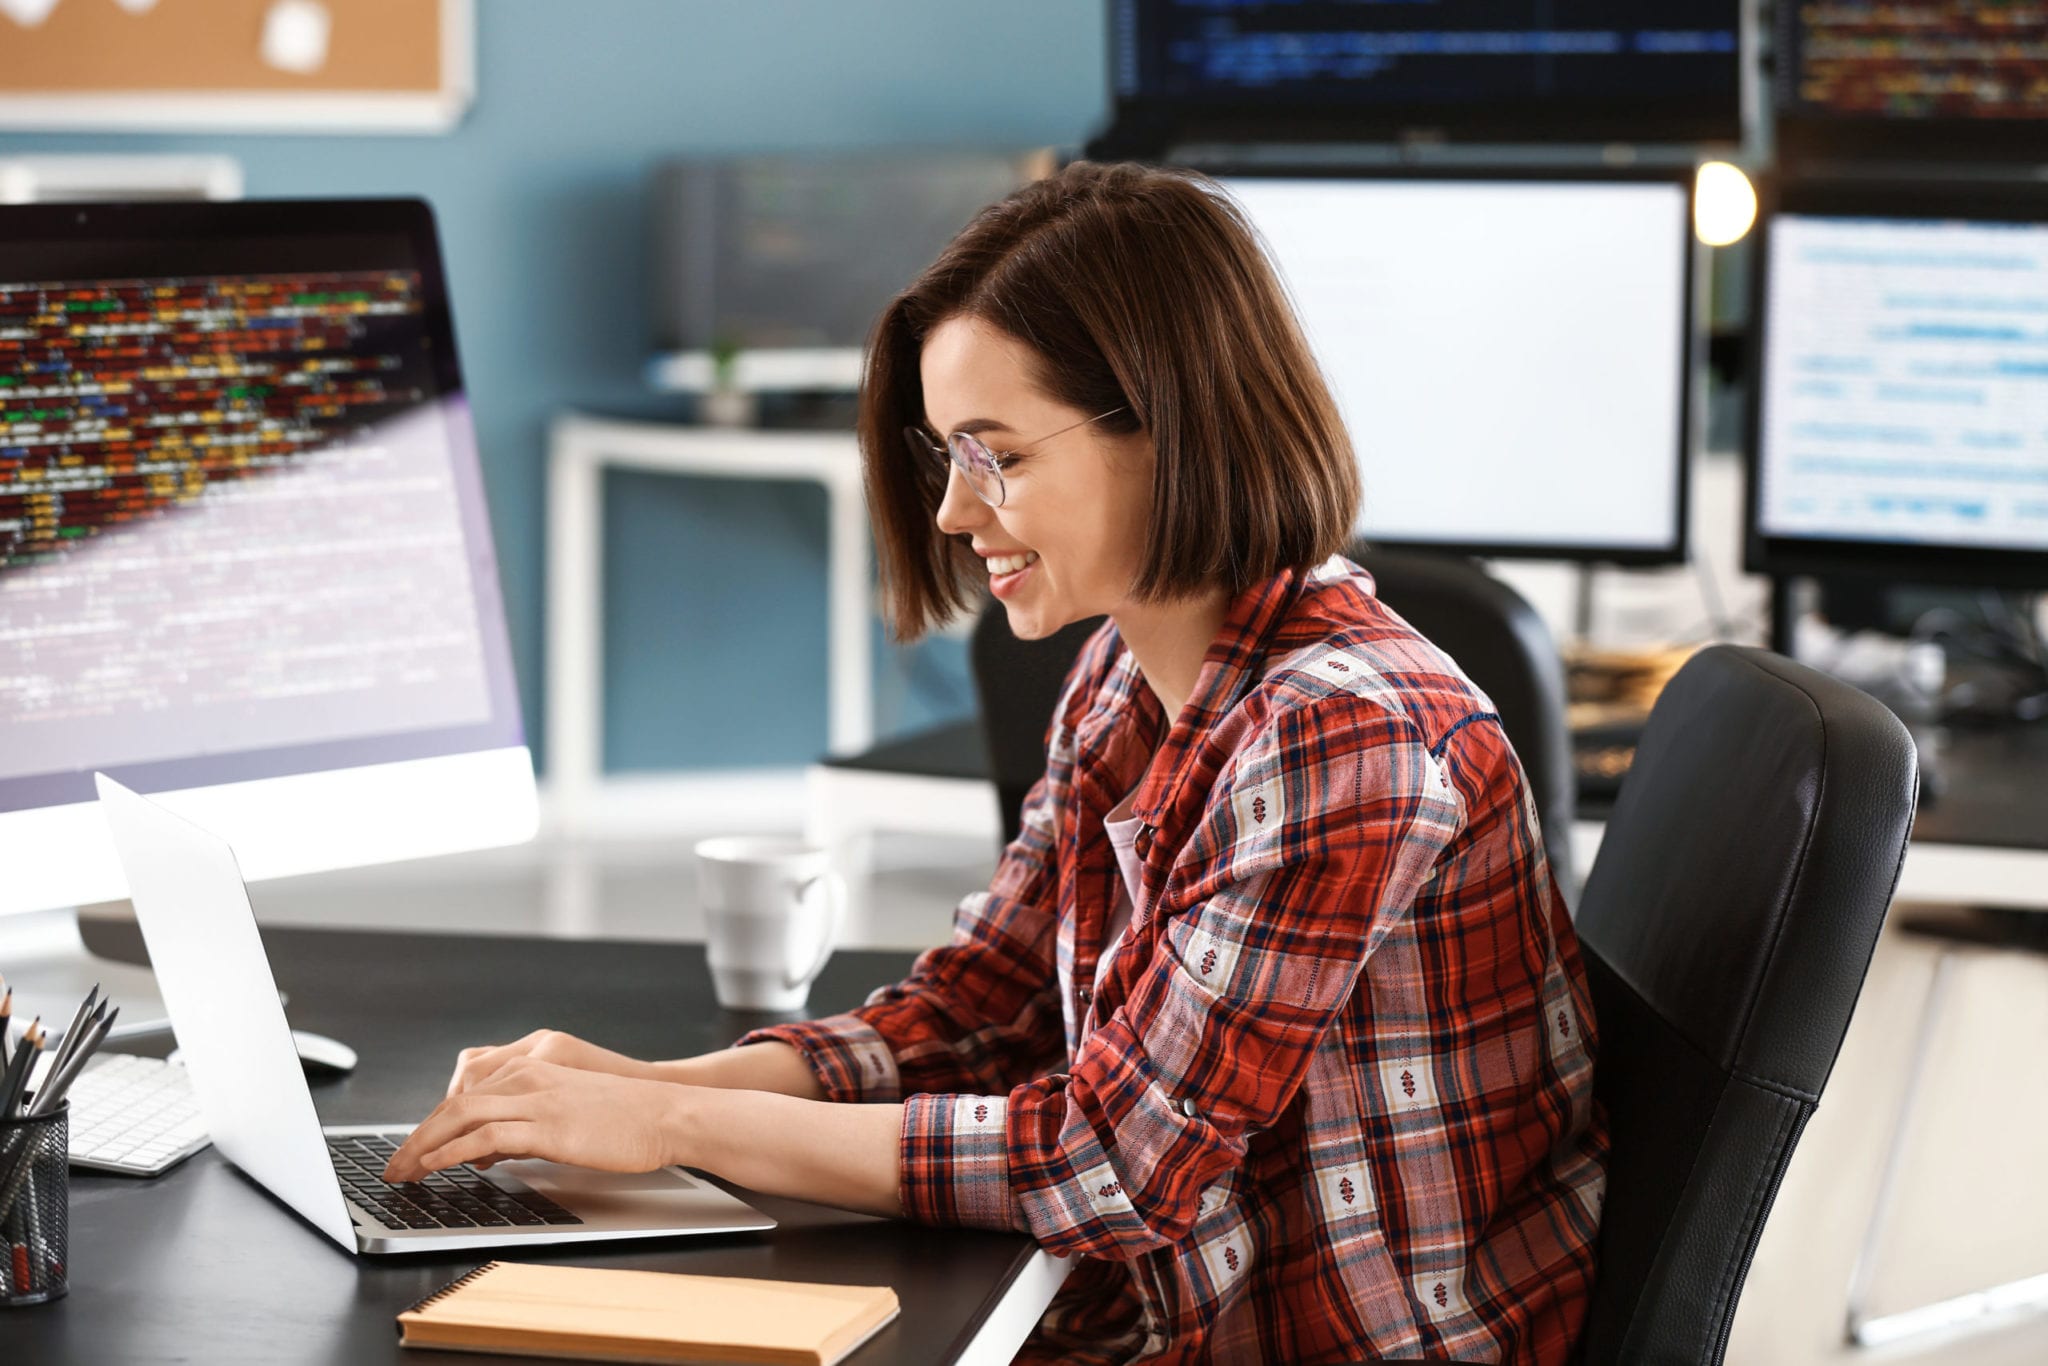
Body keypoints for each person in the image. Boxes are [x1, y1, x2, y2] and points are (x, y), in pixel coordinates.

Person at [383, 161, 1608, 1365]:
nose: (955, 518)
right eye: (946, 459)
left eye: (998, 455)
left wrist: (671, 1122)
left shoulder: (1349, 737)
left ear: (1167, 427)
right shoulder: (1128, 676)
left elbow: (1112, 1168)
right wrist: (640, 1087)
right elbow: (981, 1004)